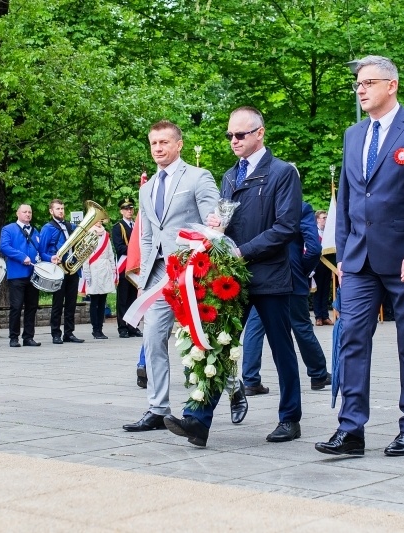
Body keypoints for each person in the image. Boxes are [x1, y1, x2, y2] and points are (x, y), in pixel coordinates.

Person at [315, 56, 404, 457]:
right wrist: (343, 259)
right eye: (357, 83)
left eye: (369, 82)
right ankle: (351, 430)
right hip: (359, 262)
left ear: (392, 85)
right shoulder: (354, 135)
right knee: (351, 340)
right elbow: (351, 198)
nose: (360, 89)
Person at [163, 106, 303, 447]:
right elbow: (227, 220)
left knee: (282, 347)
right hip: (230, 277)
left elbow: (286, 227)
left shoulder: (282, 173)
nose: (233, 140)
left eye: (240, 134)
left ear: (260, 133)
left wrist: (243, 251)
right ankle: (198, 419)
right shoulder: (230, 175)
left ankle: (290, 418)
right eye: (229, 135)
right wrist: (216, 228)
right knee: (217, 345)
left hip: (268, 274)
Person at [122, 119, 220, 433]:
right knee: (152, 339)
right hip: (159, 275)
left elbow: (213, 223)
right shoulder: (147, 188)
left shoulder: (198, 176)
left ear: (178, 144)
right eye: (154, 143)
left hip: (192, 270)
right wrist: (146, 279)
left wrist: (204, 247)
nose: (158, 148)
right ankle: (157, 408)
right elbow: (148, 236)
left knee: (202, 340)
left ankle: (221, 392)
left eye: (164, 142)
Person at [241, 201, 331, 396]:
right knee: (301, 325)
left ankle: (250, 380)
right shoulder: (301, 207)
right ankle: (318, 374)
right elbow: (314, 248)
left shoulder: (258, 205)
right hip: (290, 274)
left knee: (255, 327)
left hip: (258, 274)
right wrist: (303, 269)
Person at [39, 199, 83, 345]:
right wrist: (50, 258)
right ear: (51, 211)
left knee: (71, 303)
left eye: (62, 208)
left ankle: (69, 333)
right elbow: (42, 251)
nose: (61, 211)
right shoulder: (47, 228)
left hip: (72, 269)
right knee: (58, 302)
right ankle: (56, 333)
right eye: (58, 209)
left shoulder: (71, 226)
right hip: (58, 269)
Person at [0, 204, 42, 348]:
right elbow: (4, 247)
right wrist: (21, 256)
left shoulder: (35, 231)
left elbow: (40, 251)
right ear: (17, 213)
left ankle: (28, 337)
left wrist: (51, 258)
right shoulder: (8, 229)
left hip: (33, 275)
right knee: (16, 307)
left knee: (32, 307)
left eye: (30, 212)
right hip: (17, 274)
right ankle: (14, 337)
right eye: (24, 212)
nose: (28, 214)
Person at [111, 198, 142, 339]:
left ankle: (132, 326)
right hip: (125, 265)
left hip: (136, 266)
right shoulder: (118, 227)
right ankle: (122, 327)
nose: (129, 211)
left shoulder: (137, 225)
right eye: (126, 209)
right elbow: (119, 247)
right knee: (123, 299)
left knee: (133, 298)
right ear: (121, 211)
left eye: (131, 208)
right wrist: (135, 250)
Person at [82, 220, 117, 339]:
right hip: (94, 268)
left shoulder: (106, 234)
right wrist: (87, 272)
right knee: (95, 301)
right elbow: (85, 255)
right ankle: (95, 329)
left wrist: (113, 268)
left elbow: (110, 253)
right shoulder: (88, 234)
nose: (99, 221)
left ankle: (100, 328)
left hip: (105, 268)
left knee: (103, 301)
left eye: (100, 219)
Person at [311, 209, 334, 326]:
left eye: (326, 217)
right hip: (317, 264)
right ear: (318, 219)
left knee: (326, 291)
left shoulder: (328, 233)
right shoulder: (314, 232)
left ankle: (325, 316)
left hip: (327, 264)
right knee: (318, 291)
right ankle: (318, 317)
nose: (326, 219)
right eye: (324, 218)